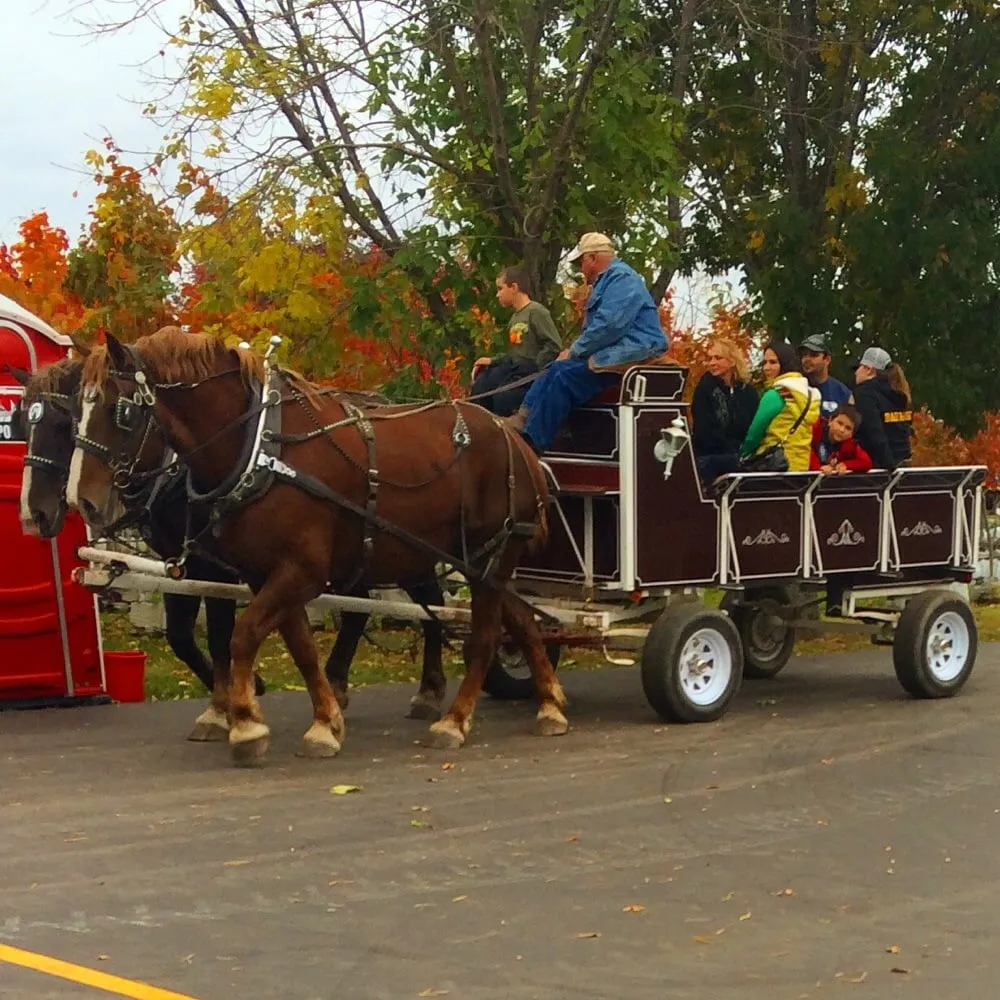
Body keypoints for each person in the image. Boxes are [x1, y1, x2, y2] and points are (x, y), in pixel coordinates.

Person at [506, 232, 667, 454]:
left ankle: (532, 445)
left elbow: (608, 326)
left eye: (581, 261)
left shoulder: (622, 279)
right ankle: (522, 418)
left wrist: (574, 350)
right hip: (615, 353)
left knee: (564, 375)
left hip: (635, 353)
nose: (580, 268)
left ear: (592, 258)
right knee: (553, 368)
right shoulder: (610, 281)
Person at [470, 264, 563, 416]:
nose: (497, 295)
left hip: (532, 370)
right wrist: (492, 361)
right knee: (482, 385)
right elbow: (514, 353)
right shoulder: (514, 318)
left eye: (500, 289)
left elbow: (553, 346)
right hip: (513, 366)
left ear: (513, 287)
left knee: (504, 397)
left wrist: (534, 367)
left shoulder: (536, 311)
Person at [740, 341, 821, 472]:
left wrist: (744, 453)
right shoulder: (810, 395)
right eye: (764, 362)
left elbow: (755, 432)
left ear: (785, 363)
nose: (766, 367)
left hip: (775, 464)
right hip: (800, 466)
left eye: (773, 362)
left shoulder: (777, 393)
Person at [691, 338, 759, 484]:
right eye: (710, 358)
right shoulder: (705, 388)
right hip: (710, 456)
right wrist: (732, 451)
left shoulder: (748, 392)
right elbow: (704, 430)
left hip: (741, 454)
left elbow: (754, 426)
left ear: (732, 361)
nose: (712, 363)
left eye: (718, 358)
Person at [852, 346, 913, 470]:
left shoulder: (865, 393)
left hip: (877, 469)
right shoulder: (899, 393)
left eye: (859, 367)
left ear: (868, 369)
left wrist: (889, 466)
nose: (855, 372)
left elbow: (874, 431)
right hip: (905, 465)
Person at [810, 403, 873, 474]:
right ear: (830, 421)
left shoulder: (850, 444)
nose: (842, 430)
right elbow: (805, 450)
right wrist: (818, 468)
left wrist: (846, 464)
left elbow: (867, 463)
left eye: (848, 428)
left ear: (851, 434)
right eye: (840, 423)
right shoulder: (815, 430)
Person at [799, 334, 852, 418]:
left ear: (827, 360)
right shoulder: (795, 385)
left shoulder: (843, 393)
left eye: (813, 355)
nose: (807, 359)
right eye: (804, 355)